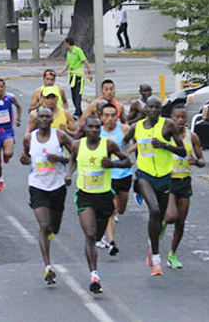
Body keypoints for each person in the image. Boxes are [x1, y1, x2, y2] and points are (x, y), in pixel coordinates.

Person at [123, 96, 188, 276]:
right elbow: (124, 141)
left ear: (161, 109)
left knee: (159, 219)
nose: (153, 110)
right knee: (154, 210)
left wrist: (165, 146)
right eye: (150, 107)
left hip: (164, 177)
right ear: (145, 110)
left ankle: (152, 246)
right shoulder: (137, 127)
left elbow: (182, 151)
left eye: (156, 107)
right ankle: (157, 260)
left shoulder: (168, 125)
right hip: (144, 175)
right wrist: (125, 158)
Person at [70, 116, 131, 293]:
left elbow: (127, 161)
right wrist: (68, 174)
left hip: (104, 196)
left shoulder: (108, 145)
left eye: (98, 127)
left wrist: (112, 164)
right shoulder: (77, 145)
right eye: (91, 127)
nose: (95, 130)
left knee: (96, 236)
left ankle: (99, 242)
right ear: (85, 129)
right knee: (89, 234)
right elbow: (73, 160)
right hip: (85, 195)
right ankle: (94, 275)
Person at [20, 107, 74, 285]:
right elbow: (25, 157)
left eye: (47, 117)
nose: (43, 119)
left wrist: (60, 160)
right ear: (37, 120)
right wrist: (24, 159)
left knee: (54, 227)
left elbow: (76, 155)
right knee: (43, 225)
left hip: (57, 185)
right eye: (40, 116)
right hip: (37, 186)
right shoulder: (29, 138)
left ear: (51, 120)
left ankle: (51, 231)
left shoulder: (60, 136)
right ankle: (48, 266)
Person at [165, 105, 205, 269]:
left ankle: (172, 254)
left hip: (184, 181)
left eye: (183, 117)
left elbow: (202, 161)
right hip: (169, 180)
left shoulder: (192, 137)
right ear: (171, 118)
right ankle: (162, 220)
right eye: (177, 117)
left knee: (180, 222)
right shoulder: (166, 136)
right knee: (171, 217)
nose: (180, 121)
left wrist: (195, 161)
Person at [97, 102, 132, 257]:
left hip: (123, 174)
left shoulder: (124, 129)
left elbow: (139, 140)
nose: (110, 119)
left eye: (113, 115)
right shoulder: (97, 132)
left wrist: (128, 151)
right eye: (106, 116)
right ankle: (111, 242)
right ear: (101, 117)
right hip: (106, 176)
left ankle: (109, 235)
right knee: (110, 210)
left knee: (121, 209)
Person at [0, 78, 22, 191]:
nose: (0, 89)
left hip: (7, 130)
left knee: (9, 152)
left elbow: (19, 106)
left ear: (4, 87)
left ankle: (6, 154)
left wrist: (18, 119)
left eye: (2, 87)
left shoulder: (10, 97)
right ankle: (0, 179)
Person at [58, 36, 93, 118]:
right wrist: (61, 72)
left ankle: (77, 112)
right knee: (73, 93)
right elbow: (67, 65)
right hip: (72, 75)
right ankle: (79, 111)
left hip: (78, 75)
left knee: (78, 93)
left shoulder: (77, 50)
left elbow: (85, 61)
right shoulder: (69, 53)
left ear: (67, 43)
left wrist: (89, 73)